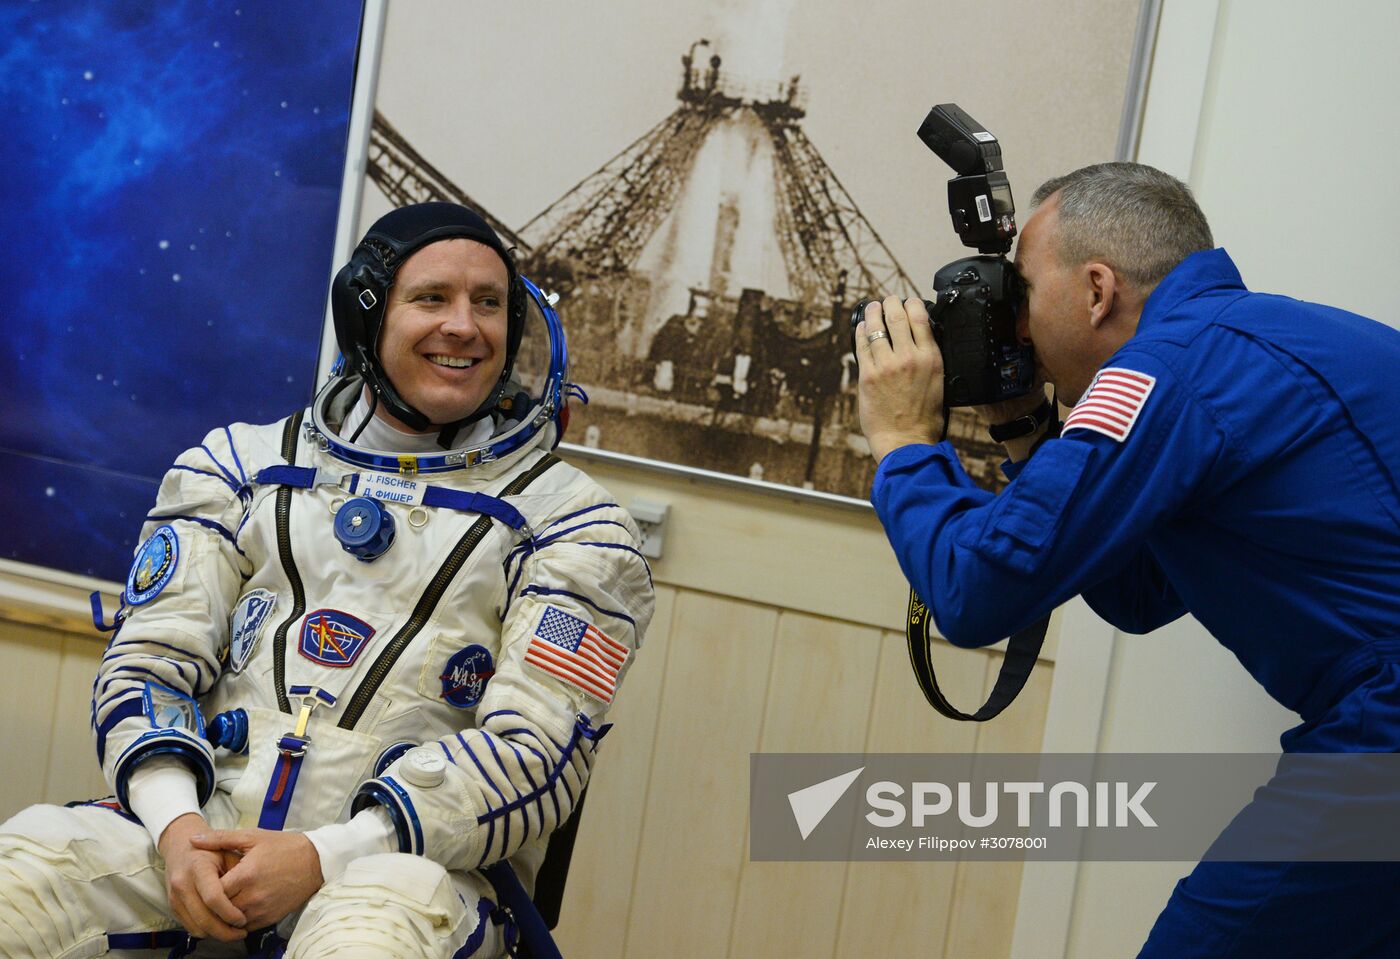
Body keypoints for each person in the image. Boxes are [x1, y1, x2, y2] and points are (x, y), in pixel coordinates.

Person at [0, 202, 655, 957]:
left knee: (367, 936)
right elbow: (148, 668)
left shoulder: (575, 527)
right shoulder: (238, 472)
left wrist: (324, 854)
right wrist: (180, 831)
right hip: (201, 836)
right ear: (367, 316)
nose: (465, 326)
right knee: (31, 869)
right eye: (432, 298)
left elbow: (535, 753)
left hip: (403, 871)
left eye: (489, 303)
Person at [854, 162, 1400, 957]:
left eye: (1026, 295)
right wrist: (1025, 430)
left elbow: (972, 593)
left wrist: (902, 442)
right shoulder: (1262, 340)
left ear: (1098, 290)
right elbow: (1141, 592)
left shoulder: (1165, 372)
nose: (1020, 333)